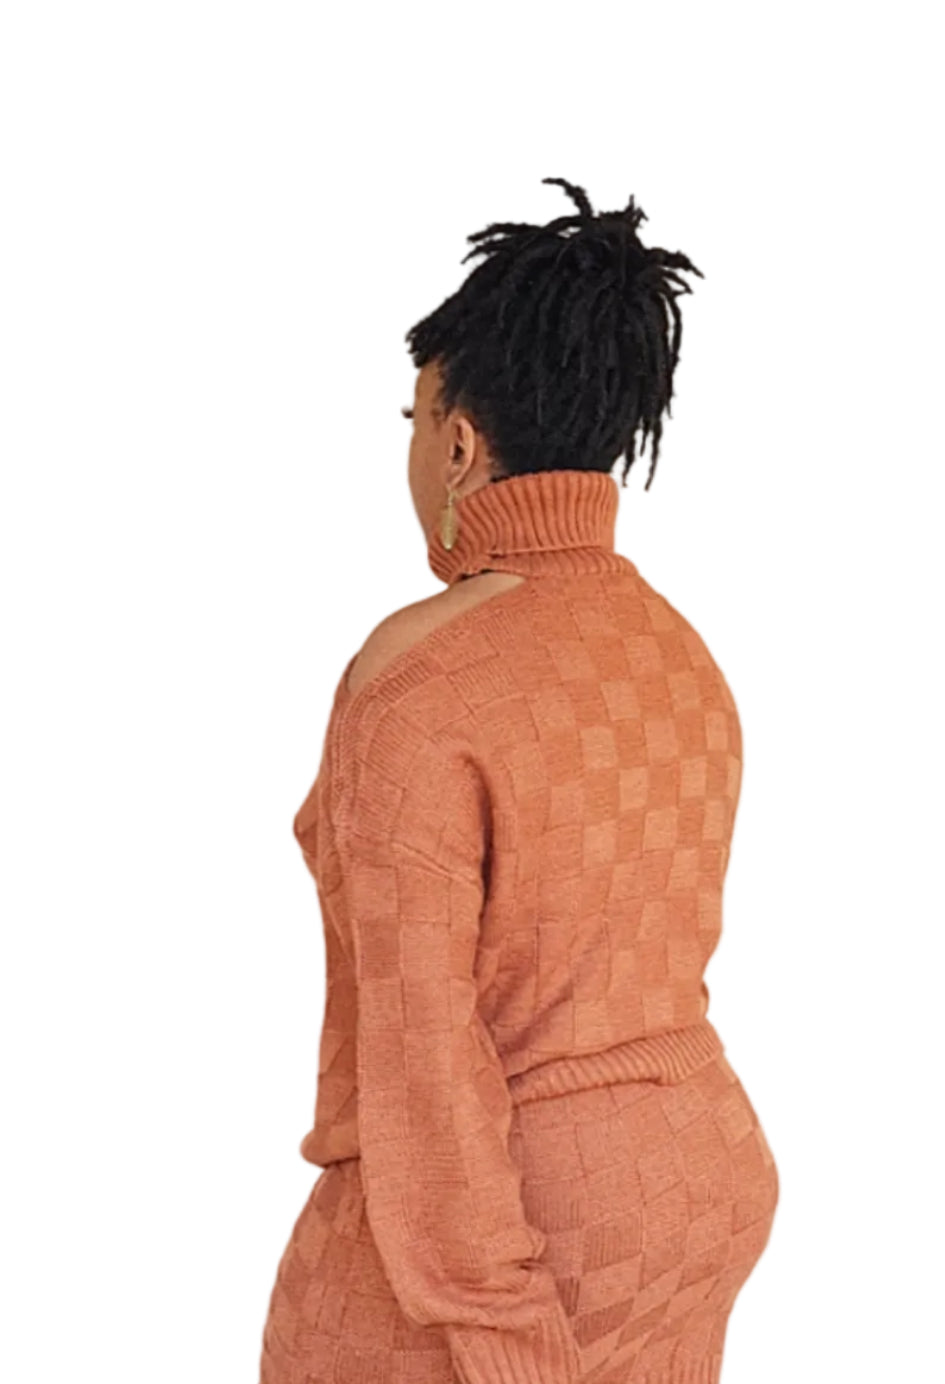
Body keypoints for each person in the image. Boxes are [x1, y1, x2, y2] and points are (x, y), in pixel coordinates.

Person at [260, 177, 779, 1384]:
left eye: (414, 416)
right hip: (690, 1186)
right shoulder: (677, 650)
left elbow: (425, 1045)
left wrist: (498, 1327)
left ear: (456, 443)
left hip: (506, 1231)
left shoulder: (416, 675)